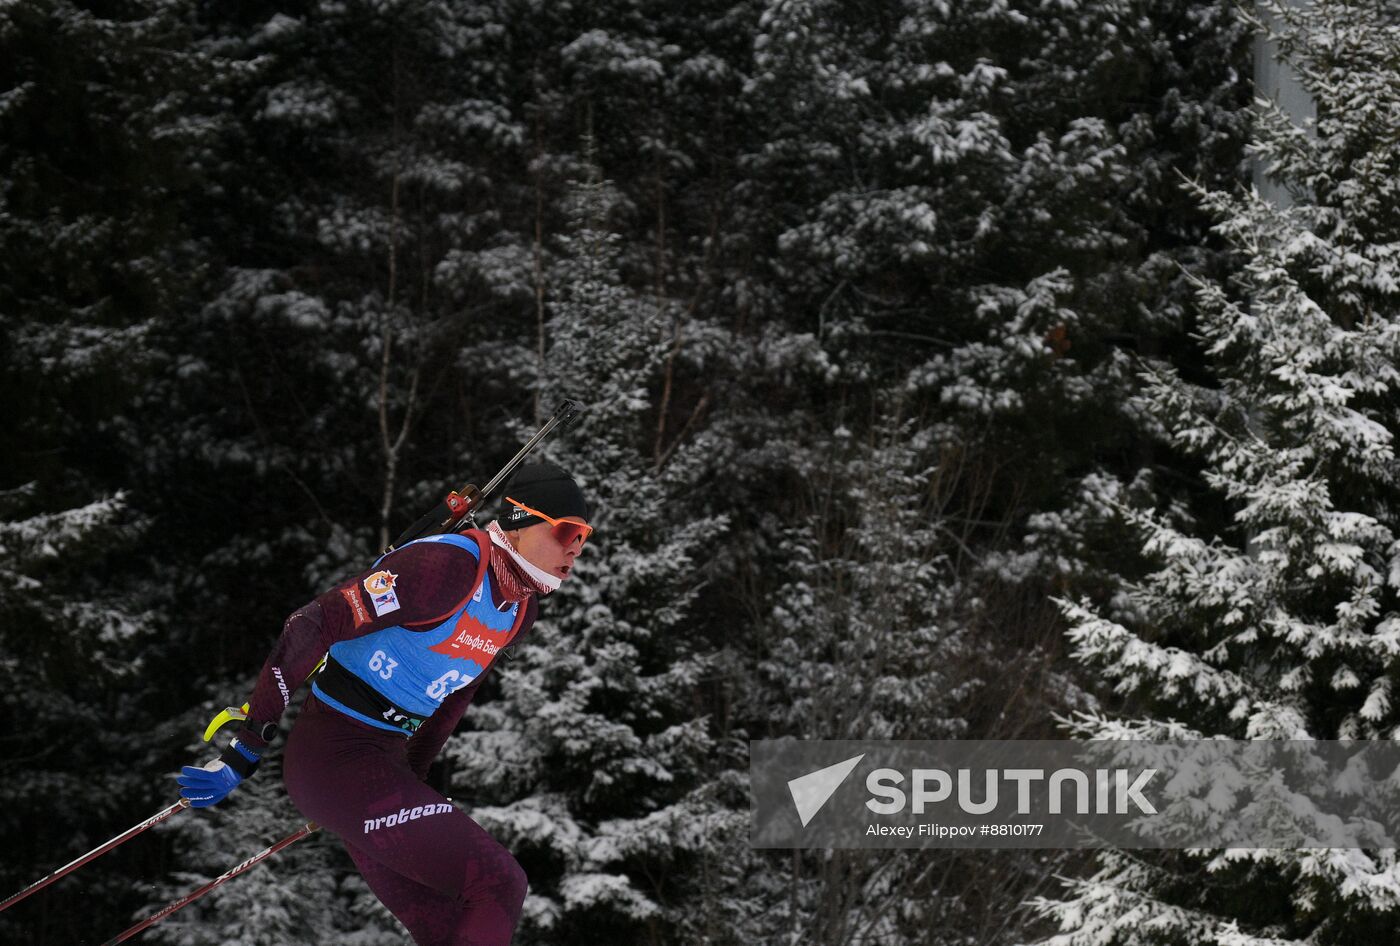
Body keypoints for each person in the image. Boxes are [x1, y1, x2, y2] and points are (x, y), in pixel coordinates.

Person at [178, 461, 591, 946]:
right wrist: (246, 747)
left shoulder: (520, 609)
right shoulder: (448, 567)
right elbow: (312, 624)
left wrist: (409, 784)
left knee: (448, 927)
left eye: (583, 538)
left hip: (379, 769)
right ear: (520, 523)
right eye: (566, 531)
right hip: (332, 758)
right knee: (499, 883)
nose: (575, 549)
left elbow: (457, 695)